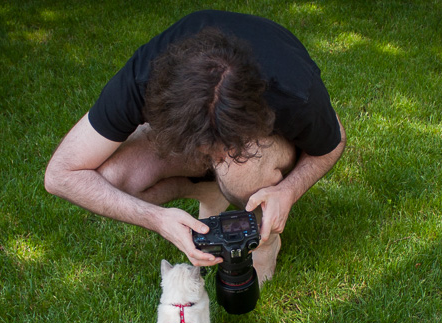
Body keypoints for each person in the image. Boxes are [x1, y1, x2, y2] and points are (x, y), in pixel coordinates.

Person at [44, 10, 346, 283]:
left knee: (241, 170)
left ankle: (264, 237)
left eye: (221, 145)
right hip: (191, 118)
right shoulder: (144, 78)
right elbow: (60, 174)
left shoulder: (294, 89)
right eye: (205, 146)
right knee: (112, 180)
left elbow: (334, 142)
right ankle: (210, 189)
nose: (213, 156)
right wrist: (157, 219)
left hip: (267, 144)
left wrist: (287, 191)